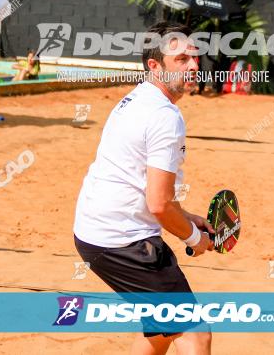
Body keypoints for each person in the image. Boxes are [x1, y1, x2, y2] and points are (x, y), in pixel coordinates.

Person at [73, 21, 213, 354]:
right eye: (181, 59)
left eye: (195, 58)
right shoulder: (165, 116)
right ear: (155, 65)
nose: (193, 66)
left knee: (161, 328)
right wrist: (195, 238)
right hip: (122, 240)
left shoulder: (135, 99)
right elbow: (159, 204)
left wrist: (190, 217)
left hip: (95, 233)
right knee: (194, 331)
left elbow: (150, 189)